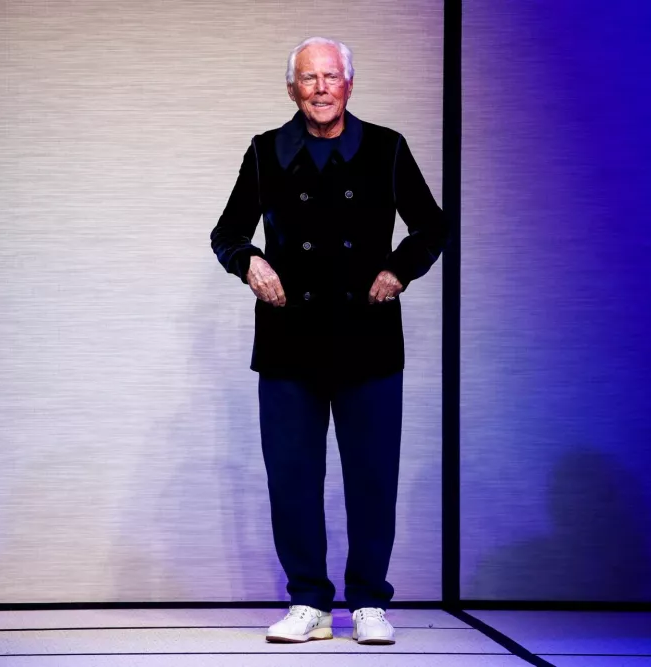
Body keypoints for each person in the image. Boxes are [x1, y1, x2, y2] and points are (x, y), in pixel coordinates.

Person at [210, 36, 448, 645]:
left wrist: (399, 269)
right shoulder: (266, 152)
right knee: (291, 475)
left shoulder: (386, 148)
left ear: (349, 85)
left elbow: (431, 226)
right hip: (290, 339)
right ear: (292, 88)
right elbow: (227, 232)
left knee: (372, 475)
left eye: (331, 76)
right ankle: (309, 601)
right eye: (309, 78)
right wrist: (250, 264)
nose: (321, 88)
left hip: (367, 336)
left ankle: (369, 600)